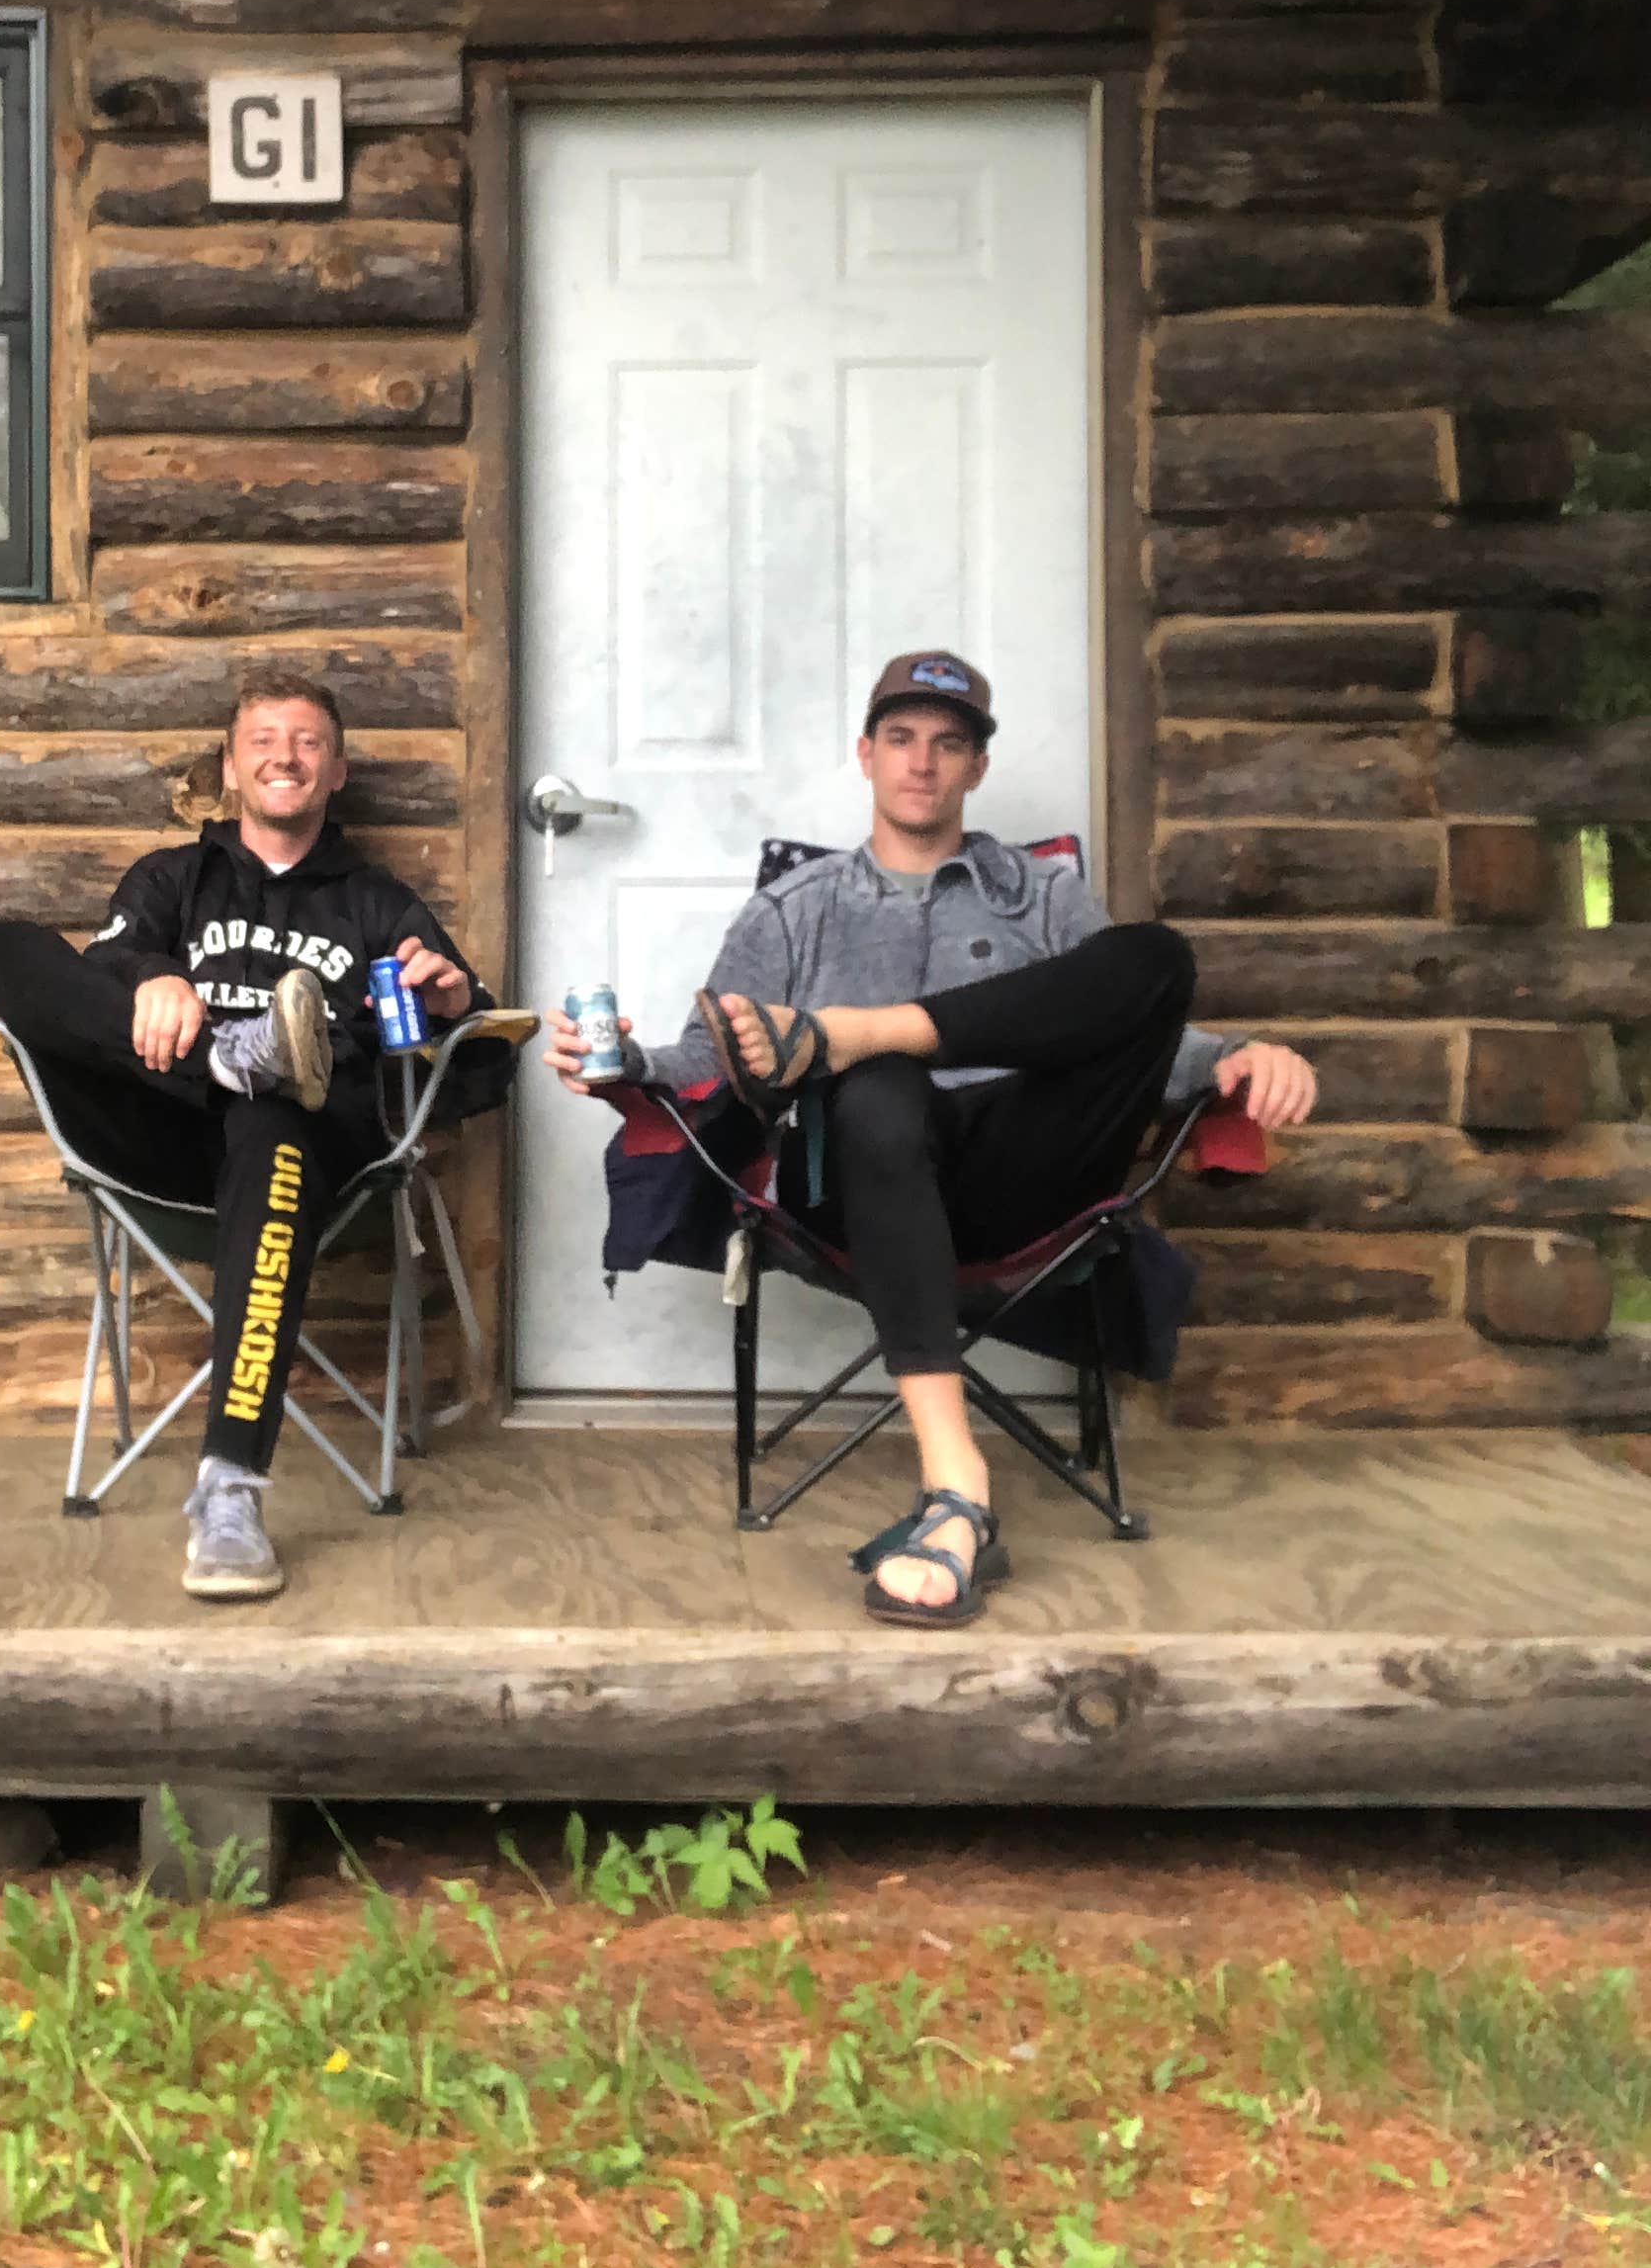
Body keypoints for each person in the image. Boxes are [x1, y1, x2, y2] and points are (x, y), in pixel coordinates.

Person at [545, 648, 1318, 1630]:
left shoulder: (1040, 896)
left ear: (976, 767)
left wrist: (1240, 1055)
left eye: (948, 744)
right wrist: (619, 1063)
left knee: (1156, 956)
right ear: (864, 754)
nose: (922, 762)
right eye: (901, 738)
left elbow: (1136, 1031)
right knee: (877, 1089)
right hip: (853, 1178)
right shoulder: (794, 908)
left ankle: (861, 1031)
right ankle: (956, 1487)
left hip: (1020, 1177)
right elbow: (708, 1059)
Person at [0, 675, 501, 1603]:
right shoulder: (169, 880)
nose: (283, 756)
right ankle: (231, 1059)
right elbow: (96, 981)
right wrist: (149, 973)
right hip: (161, 1136)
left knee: (272, 1120)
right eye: (262, 740)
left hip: (302, 1154)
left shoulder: (378, 905)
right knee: (6, 946)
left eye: (307, 742)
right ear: (228, 768)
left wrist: (457, 1003)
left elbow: (483, 1070)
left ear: (336, 771)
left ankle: (229, 1490)